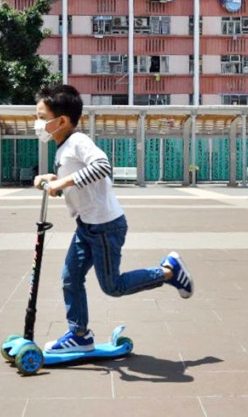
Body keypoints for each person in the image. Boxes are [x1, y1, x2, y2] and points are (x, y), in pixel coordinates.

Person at [33, 84, 194, 353]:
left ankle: (169, 272)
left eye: (41, 117)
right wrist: (54, 180)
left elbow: (103, 167)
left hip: (106, 227)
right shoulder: (63, 148)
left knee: (113, 287)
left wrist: (61, 183)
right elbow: (77, 183)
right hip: (87, 225)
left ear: (61, 121)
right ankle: (80, 335)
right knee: (70, 278)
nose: (37, 123)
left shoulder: (78, 142)